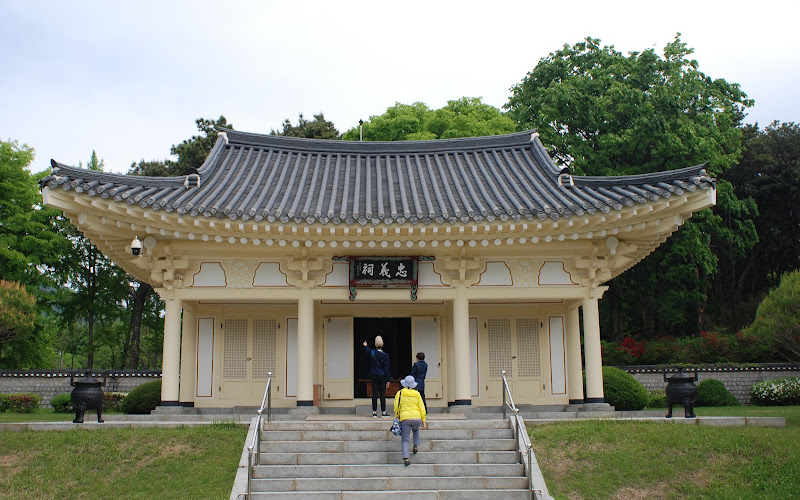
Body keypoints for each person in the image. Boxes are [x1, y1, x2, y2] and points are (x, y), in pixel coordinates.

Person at [394, 375, 427, 466]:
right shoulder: (417, 394)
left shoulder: (400, 393)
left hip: (405, 417)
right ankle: (415, 446)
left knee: (405, 439)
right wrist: (423, 420)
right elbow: (421, 407)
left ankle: (406, 458)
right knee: (416, 430)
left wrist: (397, 415)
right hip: (416, 417)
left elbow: (396, 406)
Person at [363, 336, 391, 418]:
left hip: (373, 375)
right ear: (382, 345)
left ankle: (374, 412)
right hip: (382, 376)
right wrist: (388, 379)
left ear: (375, 345)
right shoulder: (385, 355)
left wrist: (366, 346)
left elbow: (367, 351)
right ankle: (383, 412)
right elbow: (386, 368)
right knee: (382, 394)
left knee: (374, 394)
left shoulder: (372, 352)